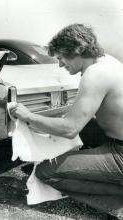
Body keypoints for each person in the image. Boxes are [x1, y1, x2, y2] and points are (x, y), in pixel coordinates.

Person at [8, 23, 123, 218]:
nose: (60, 64)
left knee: (45, 172)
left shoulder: (95, 74)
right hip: (118, 140)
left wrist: (28, 116)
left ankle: (118, 203)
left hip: (121, 152)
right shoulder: (109, 62)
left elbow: (70, 129)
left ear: (78, 50)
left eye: (61, 57)